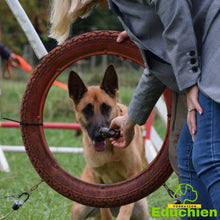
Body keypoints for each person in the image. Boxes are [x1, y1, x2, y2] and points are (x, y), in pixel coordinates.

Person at [49, 1, 220, 219]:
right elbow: (161, 61)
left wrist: (188, 84)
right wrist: (146, 36)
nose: (92, 10)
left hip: (214, 47)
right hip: (206, 50)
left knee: (208, 157)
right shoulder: (119, 5)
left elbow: (176, 18)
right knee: (187, 157)